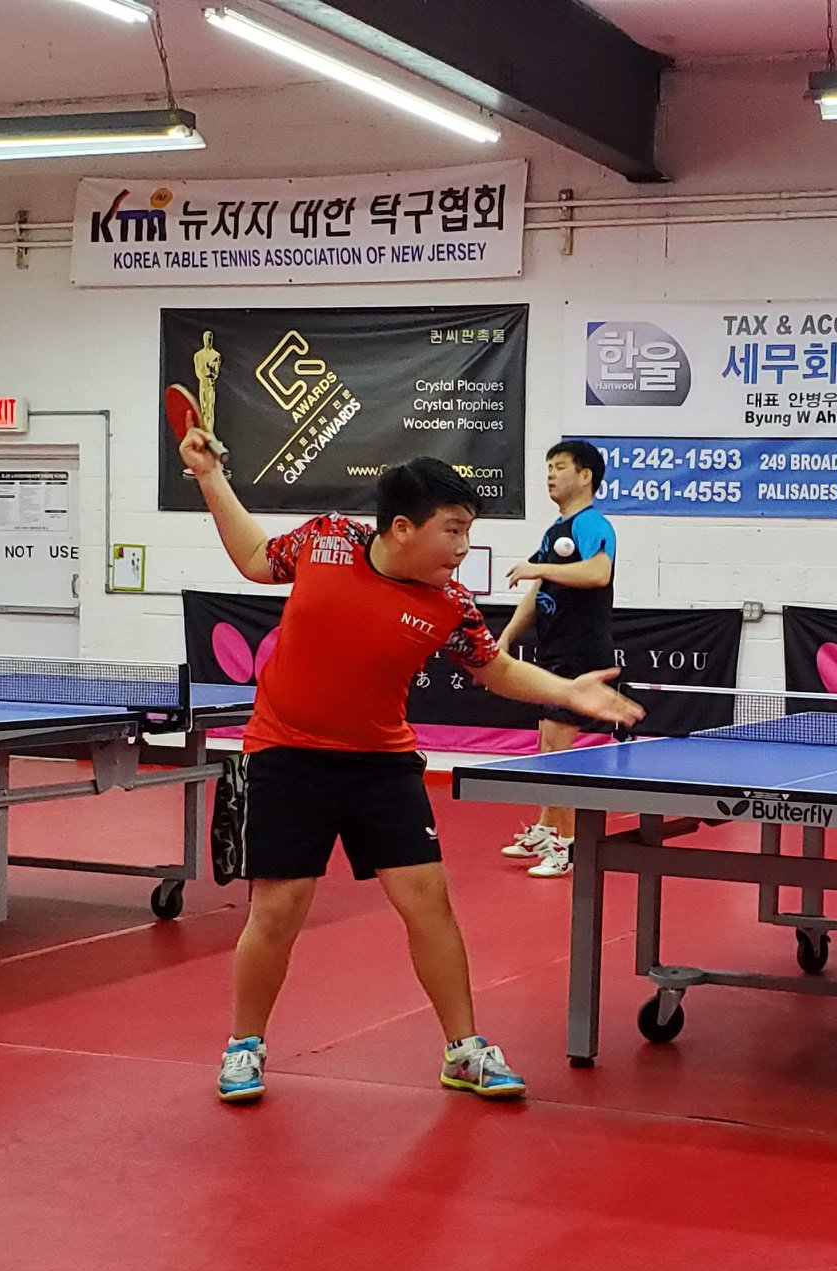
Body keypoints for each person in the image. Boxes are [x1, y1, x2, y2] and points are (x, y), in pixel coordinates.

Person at [180, 426, 643, 1105]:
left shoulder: (448, 604)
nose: (463, 547)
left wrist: (566, 690)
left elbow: (497, 670)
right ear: (402, 527)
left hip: (383, 764)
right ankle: (244, 1045)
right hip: (286, 754)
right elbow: (254, 556)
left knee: (429, 903)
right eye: (453, 531)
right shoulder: (326, 540)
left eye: (467, 532)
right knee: (278, 910)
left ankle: (464, 1050)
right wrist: (209, 475)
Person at [493, 439, 619, 880]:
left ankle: (566, 845)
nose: (550, 474)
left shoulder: (591, 523)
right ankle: (547, 827)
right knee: (546, 745)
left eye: (560, 467)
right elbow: (538, 592)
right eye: (548, 466)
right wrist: (506, 637)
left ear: (585, 476)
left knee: (557, 752)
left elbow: (598, 571)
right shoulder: (555, 532)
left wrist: (540, 568)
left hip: (580, 652)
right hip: (553, 651)